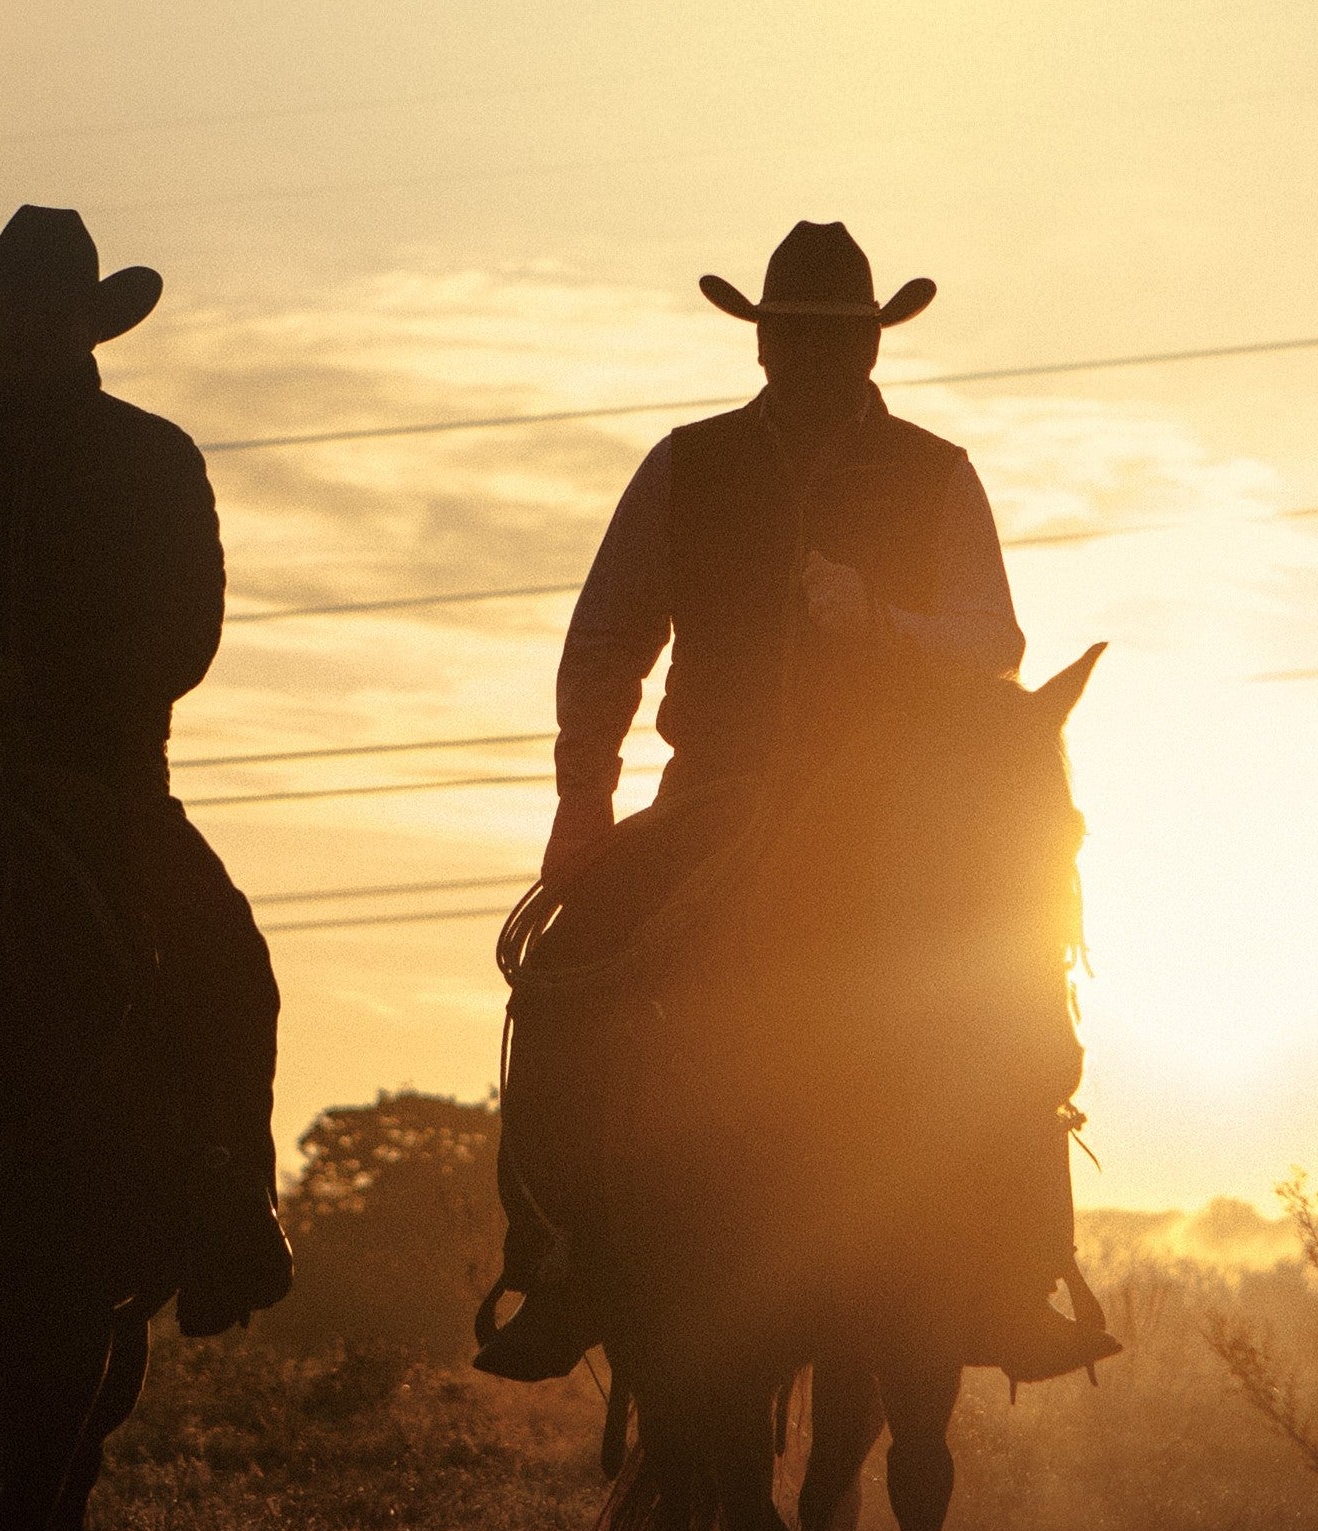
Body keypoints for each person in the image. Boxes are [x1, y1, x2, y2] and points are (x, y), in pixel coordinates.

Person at [475, 220, 1109, 1382]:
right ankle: (558, 1252)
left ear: (871, 350)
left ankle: (1020, 1269)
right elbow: (607, 639)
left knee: (1011, 1004)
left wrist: (879, 621)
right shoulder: (686, 464)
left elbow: (993, 644)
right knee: (567, 979)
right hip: (712, 791)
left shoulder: (936, 471)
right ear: (763, 347)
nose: (816, 360)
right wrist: (583, 800)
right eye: (795, 339)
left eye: (840, 341)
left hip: (896, 811)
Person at [0, 205, 288, 1335]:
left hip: (104, 781)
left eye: (51, 311)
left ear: (88, 325)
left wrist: (42, 688)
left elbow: (187, 631)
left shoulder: (155, 460)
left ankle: (232, 1206)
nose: (30, 327)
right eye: (13, 308)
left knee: (229, 961)